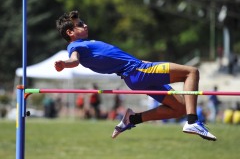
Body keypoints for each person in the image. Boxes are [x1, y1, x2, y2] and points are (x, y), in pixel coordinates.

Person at [54, 10, 217, 141]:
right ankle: (192, 121)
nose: (85, 24)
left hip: (137, 74)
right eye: (80, 24)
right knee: (191, 72)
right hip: (138, 72)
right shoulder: (75, 46)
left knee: (180, 107)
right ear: (70, 32)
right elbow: (74, 60)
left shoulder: (86, 44)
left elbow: (118, 59)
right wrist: (64, 64)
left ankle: (132, 119)